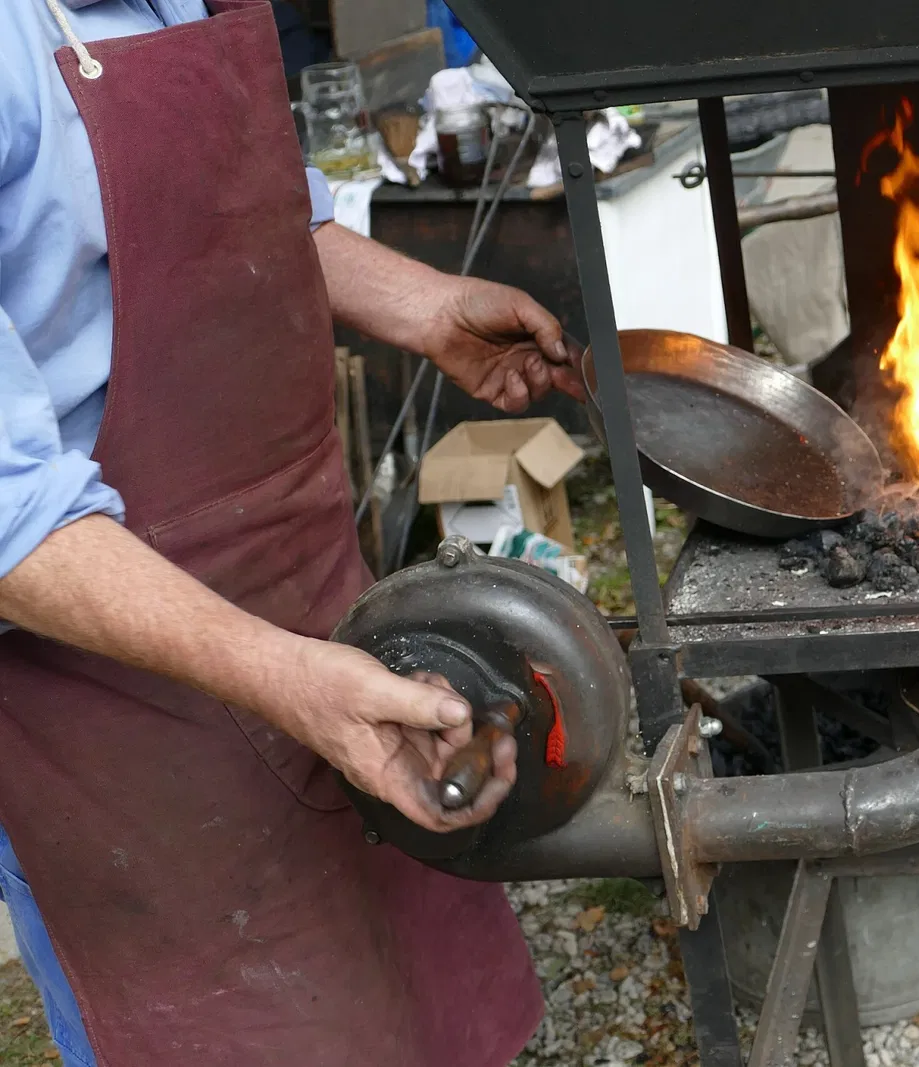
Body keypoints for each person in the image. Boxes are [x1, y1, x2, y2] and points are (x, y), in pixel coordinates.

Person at [0, 1, 585, 1064]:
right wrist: (288, 680)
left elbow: (266, 217)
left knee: (405, 994)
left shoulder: (181, 3)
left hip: (309, 579)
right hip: (110, 674)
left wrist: (427, 306)